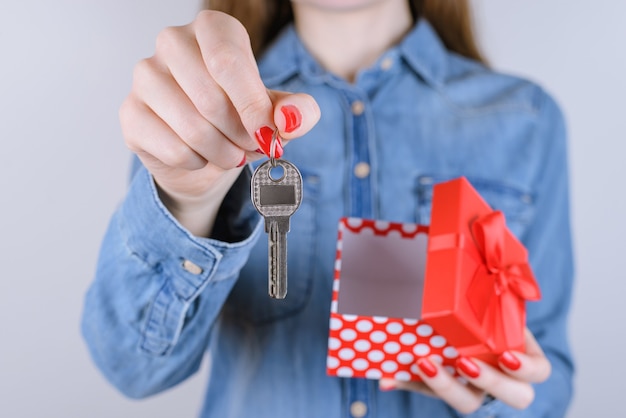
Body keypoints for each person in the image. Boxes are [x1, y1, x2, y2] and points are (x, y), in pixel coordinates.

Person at [81, 0, 575, 416]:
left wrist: (499, 394)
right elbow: (133, 369)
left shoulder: (526, 119)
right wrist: (191, 202)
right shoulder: (201, 112)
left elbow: (549, 372)